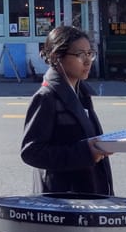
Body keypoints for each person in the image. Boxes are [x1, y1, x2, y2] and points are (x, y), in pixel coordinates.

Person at [21, 25, 114, 196]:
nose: (87, 61)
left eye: (89, 54)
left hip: (87, 193)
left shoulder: (81, 92)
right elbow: (31, 152)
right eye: (80, 55)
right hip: (63, 200)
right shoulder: (47, 97)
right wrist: (86, 152)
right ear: (57, 57)